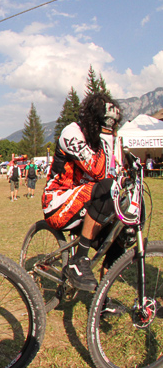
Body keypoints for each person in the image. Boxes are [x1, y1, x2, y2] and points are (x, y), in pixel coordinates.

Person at [42, 92, 122, 291]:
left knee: (118, 242)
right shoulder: (72, 133)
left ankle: (102, 300)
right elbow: (99, 172)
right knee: (106, 187)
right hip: (57, 202)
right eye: (106, 122)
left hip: (85, 203)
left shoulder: (99, 139)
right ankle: (79, 258)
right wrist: (106, 132)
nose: (110, 128)